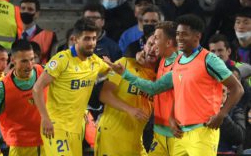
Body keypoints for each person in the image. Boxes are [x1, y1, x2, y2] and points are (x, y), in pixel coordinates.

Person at [104, 14, 244, 156]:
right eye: (178, 34)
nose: (153, 42)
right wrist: (171, 116)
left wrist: (221, 114)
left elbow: (237, 88)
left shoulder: (203, 60)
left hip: (195, 131)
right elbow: (177, 93)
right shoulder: (171, 62)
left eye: (156, 39)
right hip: (169, 132)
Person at [33, 18, 110, 156]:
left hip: (76, 128)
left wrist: (117, 66)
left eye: (94, 38)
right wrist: (45, 118)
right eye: (87, 38)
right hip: (56, 126)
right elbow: (37, 88)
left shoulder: (95, 61)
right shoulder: (62, 60)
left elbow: (111, 69)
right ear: (75, 39)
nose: (92, 43)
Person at [96, 34, 158, 156]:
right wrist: (129, 109)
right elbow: (104, 94)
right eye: (150, 44)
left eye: (157, 47)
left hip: (136, 141)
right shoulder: (124, 64)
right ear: (144, 46)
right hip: (113, 136)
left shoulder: (160, 77)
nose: (152, 49)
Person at [0, 40, 45, 156]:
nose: (29, 65)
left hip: (47, 143)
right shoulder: (3, 87)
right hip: (20, 148)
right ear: (13, 60)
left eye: (32, 59)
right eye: (24, 61)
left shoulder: (44, 72)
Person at [142, 21, 178, 156]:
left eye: (157, 38)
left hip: (176, 133)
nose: (154, 42)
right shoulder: (163, 59)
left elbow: (153, 88)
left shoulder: (180, 64)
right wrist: (140, 56)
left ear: (168, 43)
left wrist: (125, 74)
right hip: (159, 131)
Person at [20, 0, 57, 64]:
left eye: (30, 9)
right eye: (23, 8)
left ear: (37, 13)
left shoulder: (49, 36)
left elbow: (53, 62)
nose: (25, 11)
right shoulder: (14, 33)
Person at [218, 67, 246, 155]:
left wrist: (222, 114)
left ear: (227, 91)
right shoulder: (201, 109)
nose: (220, 95)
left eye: (223, 91)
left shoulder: (237, 110)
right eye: (216, 91)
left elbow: (239, 137)